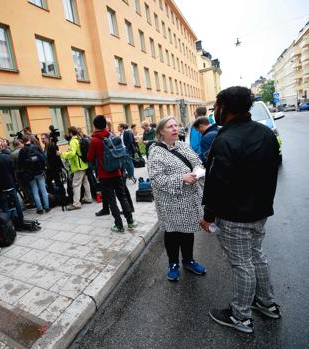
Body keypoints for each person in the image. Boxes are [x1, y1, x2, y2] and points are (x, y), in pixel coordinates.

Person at [200, 86, 281, 333]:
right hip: (260, 212)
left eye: (215, 106)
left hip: (235, 215)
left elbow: (217, 182)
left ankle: (240, 316)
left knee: (241, 264)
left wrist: (208, 216)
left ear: (225, 109)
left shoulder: (225, 139)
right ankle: (267, 304)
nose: (214, 111)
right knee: (257, 256)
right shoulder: (266, 133)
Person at [147, 117, 207, 282]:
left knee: (188, 232)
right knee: (172, 233)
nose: (175, 128)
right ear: (161, 132)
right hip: (170, 203)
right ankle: (173, 264)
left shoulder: (182, 146)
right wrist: (182, 178)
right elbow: (157, 179)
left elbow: (198, 162)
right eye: (169, 126)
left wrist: (198, 171)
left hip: (189, 200)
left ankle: (188, 260)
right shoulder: (155, 153)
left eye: (176, 125)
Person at [88, 115, 137, 232]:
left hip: (104, 175)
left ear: (94, 126)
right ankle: (130, 221)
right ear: (105, 124)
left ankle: (119, 225)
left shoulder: (94, 140)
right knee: (122, 197)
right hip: (117, 172)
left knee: (112, 201)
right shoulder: (112, 136)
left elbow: (89, 157)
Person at [0, 140, 24, 224]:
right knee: (16, 202)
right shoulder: (7, 157)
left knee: (5, 205)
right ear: (0, 147)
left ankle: (8, 222)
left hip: (0, 186)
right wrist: (15, 182)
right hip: (10, 183)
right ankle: (21, 217)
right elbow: (12, 171)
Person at [58, 126, 92, 210]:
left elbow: (72, 153)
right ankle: (88, 198)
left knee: (76, 185)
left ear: (70, 133)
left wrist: (62, 154)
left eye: (68, 132)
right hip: (83, 164)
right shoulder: (79, 139)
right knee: (85, 182)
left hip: (78, 166)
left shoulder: (73, 141)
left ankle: (76, 203)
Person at [18, 135, 50, 214]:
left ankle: (40, 209)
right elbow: (43, 158)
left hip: (30, 174)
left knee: (35, 191)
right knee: (43, 190)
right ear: (29, 139)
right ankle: (47, 207)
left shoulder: (22, 151)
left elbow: (20, 165)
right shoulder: (36, 147)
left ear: (22, 141)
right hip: (40, 172)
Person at [11, 139, 34, 207]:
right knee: (31, 187)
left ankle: (32, 202)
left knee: (25, 189)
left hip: (20, 173)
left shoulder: (13, 154)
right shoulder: (25, 150)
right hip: (28, 171)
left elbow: (13, 165)